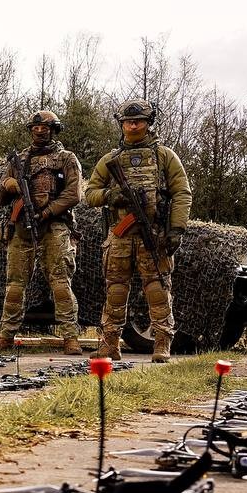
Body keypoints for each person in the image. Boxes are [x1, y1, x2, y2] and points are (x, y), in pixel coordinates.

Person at [84, 99, 192, 362]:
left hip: (153, 235)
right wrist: (113, 195)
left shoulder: (164, 156)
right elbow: (89, 195)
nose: (133, 126)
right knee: (116, 290)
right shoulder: (110, 160)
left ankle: (162, 343)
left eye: (139, 121)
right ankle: (110, 345)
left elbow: (181, 193)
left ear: (149, 123)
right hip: (119, 235)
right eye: (128, 122)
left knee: (157, 289)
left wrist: (176, 229)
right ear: (121, 124)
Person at [0, 110, 85, 356]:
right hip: (21, 226)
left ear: (54, 130)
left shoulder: (66, 158)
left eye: (44, 128)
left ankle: (70, 337)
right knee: (14, 285)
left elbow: (74, 195)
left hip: (55, 226)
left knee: (60, 283)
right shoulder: (18, 160)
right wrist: (9, 186)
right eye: (35, 128)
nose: (39, 131)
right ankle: (6, 337)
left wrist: (46, 212)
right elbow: (0, 198)